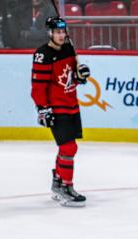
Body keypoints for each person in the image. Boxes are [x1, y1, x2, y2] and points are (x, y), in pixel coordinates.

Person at [31, 16, 92, 207]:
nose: (60, 35)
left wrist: (80, 75)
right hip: (56, 108)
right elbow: (37, 87)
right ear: (50, 33)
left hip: (72, 104)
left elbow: (72, 76)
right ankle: (66, 186)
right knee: (69, 148)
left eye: (62, 31)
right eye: (57, 32)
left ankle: (58, 182)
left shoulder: (68, 48)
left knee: (67, 148)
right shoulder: (43, 54)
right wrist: (43, 109)